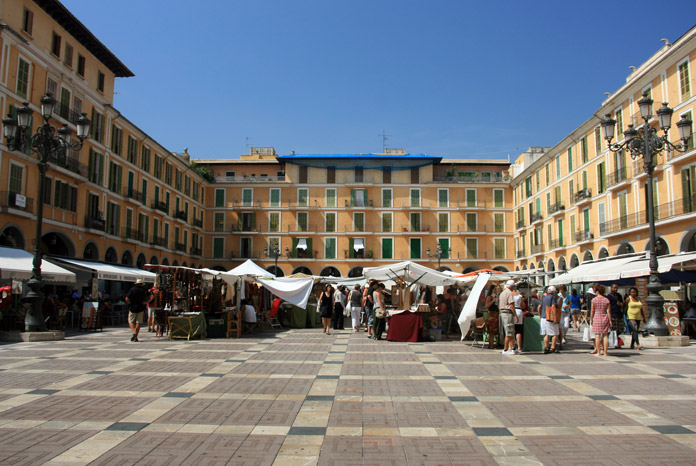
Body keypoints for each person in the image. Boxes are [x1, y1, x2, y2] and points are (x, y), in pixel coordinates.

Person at [591, 284, 611, 356]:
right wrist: (610, 320)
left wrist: (591, 318)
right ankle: (605, 352)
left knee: (597, 335)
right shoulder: (606, 300)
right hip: (605, 317)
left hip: (597, 317)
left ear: (597, 291)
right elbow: (608, 311)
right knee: (605, 335)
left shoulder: (594, 300)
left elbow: (592, 311)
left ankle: (598, 352)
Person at [498, 280, 517, 355]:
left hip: (503, 312)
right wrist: (515, 315)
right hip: (507, 312)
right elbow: (511, 305)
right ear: (512, 286)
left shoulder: (502, 293)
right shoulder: (510, 293)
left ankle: (513, 348)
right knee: (509, 332)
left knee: (510, 330)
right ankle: (505, 349)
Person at [540, 285, 560, 353]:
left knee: (546, 334)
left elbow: (539, 307)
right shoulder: (553, 297)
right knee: (555, 333)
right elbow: (553, 307)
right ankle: (553, 347)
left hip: (543, 317)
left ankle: (546, 347)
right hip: (550, 318)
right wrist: (555, 318)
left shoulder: (544, 298)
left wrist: (540, 316)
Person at [607, 283, 625, 347]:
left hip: (619, 314)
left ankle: (616, 341)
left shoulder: (619, 296)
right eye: (614, 288)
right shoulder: (609, 296)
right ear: (611, 288)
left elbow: (623, 304)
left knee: (619, 329)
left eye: (616, 288)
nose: (615, 289)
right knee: (612, 329)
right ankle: (613, 342)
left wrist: (621, 304)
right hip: (612, 314)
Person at [513, 286, 524, 353]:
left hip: (512, 311)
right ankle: (519, 347)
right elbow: (523, 306)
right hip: (519, 311)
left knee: (512, 330)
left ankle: (512, 346)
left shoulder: (510, 295)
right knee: (518, 330)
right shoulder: (520, 296)